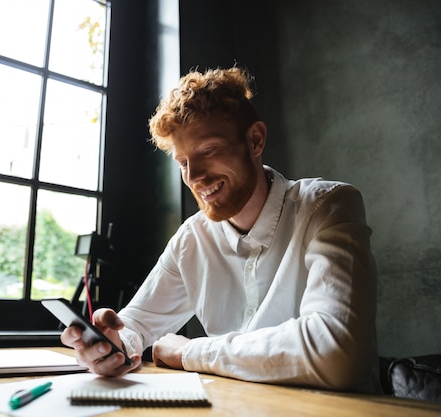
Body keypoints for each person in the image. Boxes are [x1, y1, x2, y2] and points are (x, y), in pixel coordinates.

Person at [61, 67, 380, 393]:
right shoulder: (191, 239)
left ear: (255, 140)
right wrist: (114, 343)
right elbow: (136, 324)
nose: (195, 176)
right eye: (183, 162)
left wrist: (190, 351)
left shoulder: (328, 206)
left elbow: (338, 354)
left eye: (208, 151)